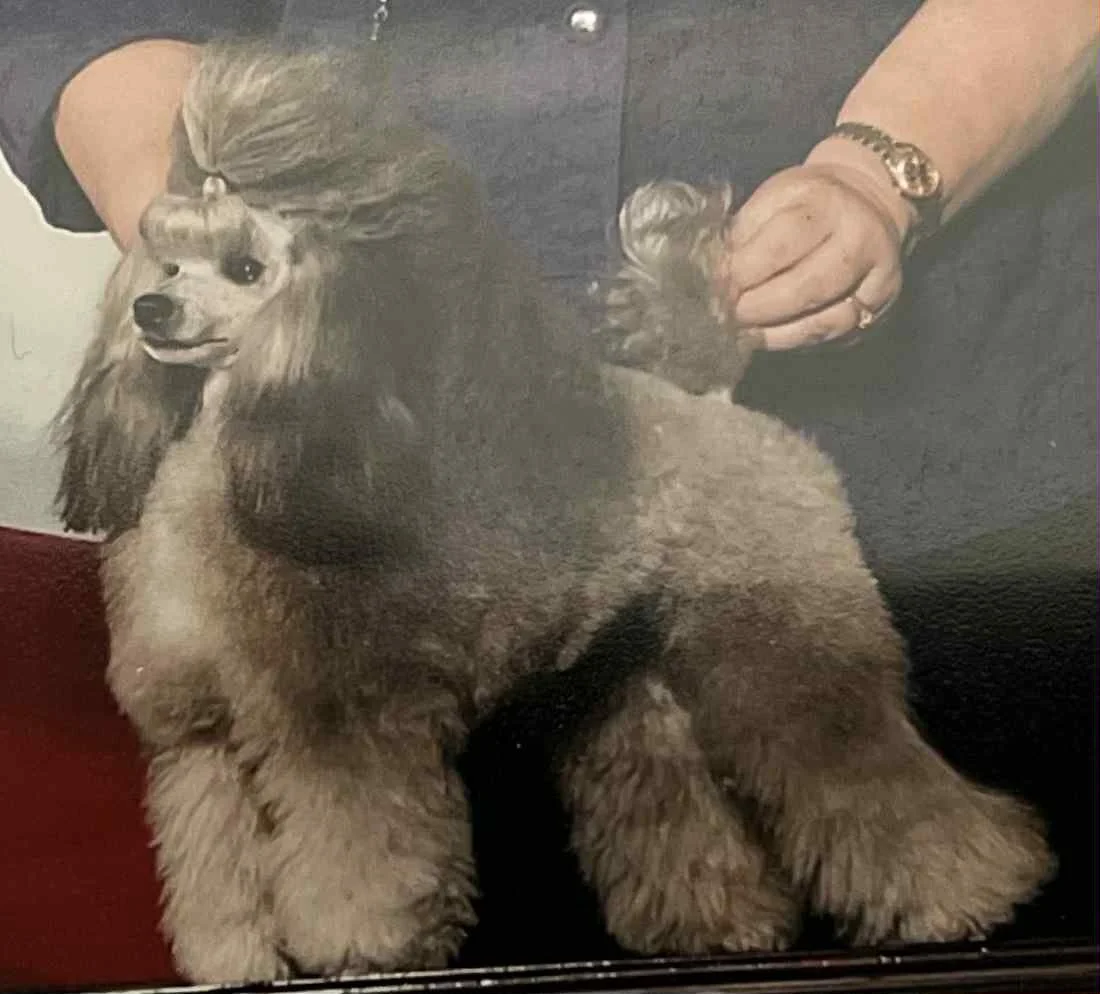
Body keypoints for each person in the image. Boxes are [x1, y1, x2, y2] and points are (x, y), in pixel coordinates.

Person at [0, 0, 1095, 980]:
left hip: (939, 468)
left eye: (232, 273)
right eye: (167, 272)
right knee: (609, 728)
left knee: (812, 732)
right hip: (392, 434)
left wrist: (871, 174)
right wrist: (200, 202)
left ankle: (932, 870)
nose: (166, 302)